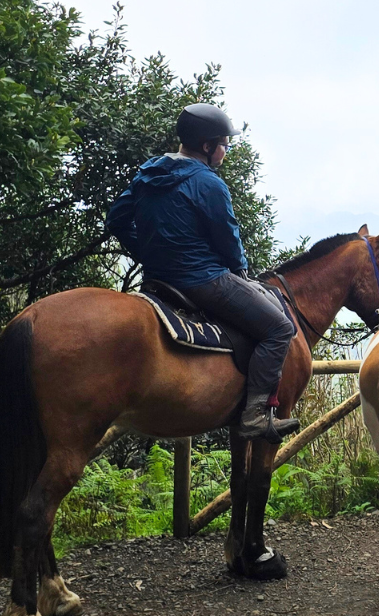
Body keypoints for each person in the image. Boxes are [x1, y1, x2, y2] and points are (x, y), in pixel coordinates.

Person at [107, 103, 299, 442]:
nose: (226, 150)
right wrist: (240, 271)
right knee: (279, 328)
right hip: (203, 281)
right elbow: (227, 236)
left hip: (156, 280)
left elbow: (116, 220)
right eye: (224, 142)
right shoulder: (208, 183)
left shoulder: (148, 173)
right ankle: (255, 415)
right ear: (207, 146)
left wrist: (146, 252)